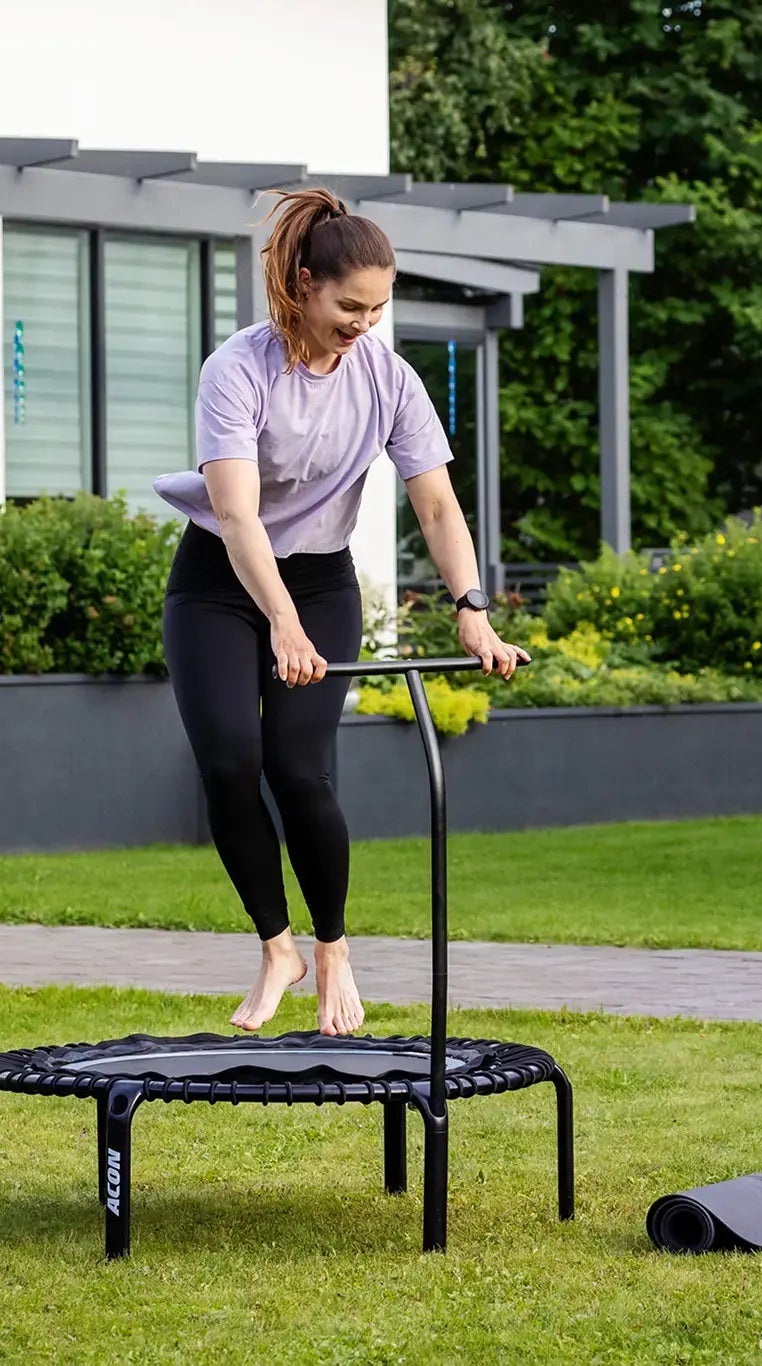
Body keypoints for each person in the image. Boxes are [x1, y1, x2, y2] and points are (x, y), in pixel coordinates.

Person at [152, 188, 528, 1038]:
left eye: (378, 308)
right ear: (304, 286)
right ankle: (276, 947)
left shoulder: (388, 379)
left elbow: (437, 504)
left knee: (299, 768)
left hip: (322, 581)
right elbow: (237, 516)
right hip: (218, 579)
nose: (365, 323)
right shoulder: (237, 369)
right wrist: (278, 623)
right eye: (351, 306)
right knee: (229, 761)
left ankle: (331, 949)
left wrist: (472, 609)